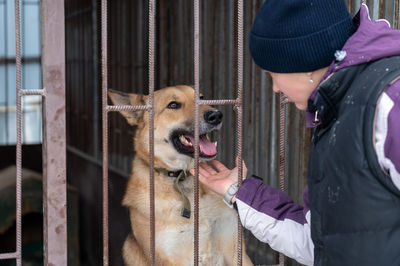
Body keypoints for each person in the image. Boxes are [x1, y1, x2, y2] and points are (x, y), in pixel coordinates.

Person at [190, 1, 400, 265]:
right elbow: (317, 243)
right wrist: (238, 191)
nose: (276, 88)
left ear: (303, 62)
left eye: (272, 74)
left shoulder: (390, 101)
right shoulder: (336, 113)